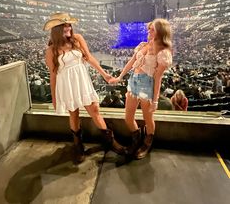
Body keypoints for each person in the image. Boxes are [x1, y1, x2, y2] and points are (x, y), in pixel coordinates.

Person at [44, 12, 124, 162]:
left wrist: (104, 74)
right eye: (64, 25)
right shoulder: (51, 50)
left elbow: (89, 58)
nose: (68, 27)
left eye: (69, 24)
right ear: (56, 29)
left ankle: (111, 142)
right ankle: (78, 146)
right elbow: (53, 75)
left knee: (94, 110)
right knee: (74, 114)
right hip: (66, 85)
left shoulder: (78, 39)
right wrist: (54, 97)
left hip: (82, 80)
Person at [109, 18, 172, 160]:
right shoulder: (143, 45)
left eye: (152, 29)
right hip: (133, 81)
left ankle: (147, 143)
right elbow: (132, 62)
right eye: (149, 28)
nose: (148, 31)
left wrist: (155, 100)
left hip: (147, 84)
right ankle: (136, 139)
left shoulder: (163, 52)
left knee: (148, 118)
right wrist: (120, 77)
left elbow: (158, 78)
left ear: (161, 32)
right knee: (128, 117)